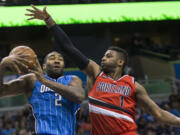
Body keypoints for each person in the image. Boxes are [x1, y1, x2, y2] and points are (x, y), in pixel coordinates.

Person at [25, 5, 180, 135]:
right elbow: (68, 48)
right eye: (104, 56)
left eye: (108, 56)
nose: (103, 58)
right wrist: (48, 20)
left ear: (120, 62)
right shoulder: (95, 73)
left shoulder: (134, 86)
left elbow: (159, 114)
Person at [0, 51, 85, 135]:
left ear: (63, 66)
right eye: (52, 58)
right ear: (44, 66)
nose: (57, 61)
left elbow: (79, 96)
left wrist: (44, 81)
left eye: (60, 59)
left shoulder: (73, 80)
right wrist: (3, 65)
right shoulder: (33, 80)